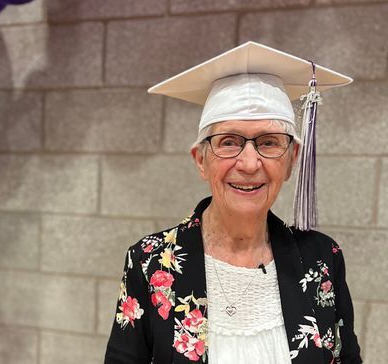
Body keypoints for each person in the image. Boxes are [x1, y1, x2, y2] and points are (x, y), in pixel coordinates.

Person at [104, 42, 363, 364]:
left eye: (269, 142)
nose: (250, 163)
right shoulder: (151, 261)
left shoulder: (321, 258)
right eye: (229, 142)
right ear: (201, 160)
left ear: (292, 159)